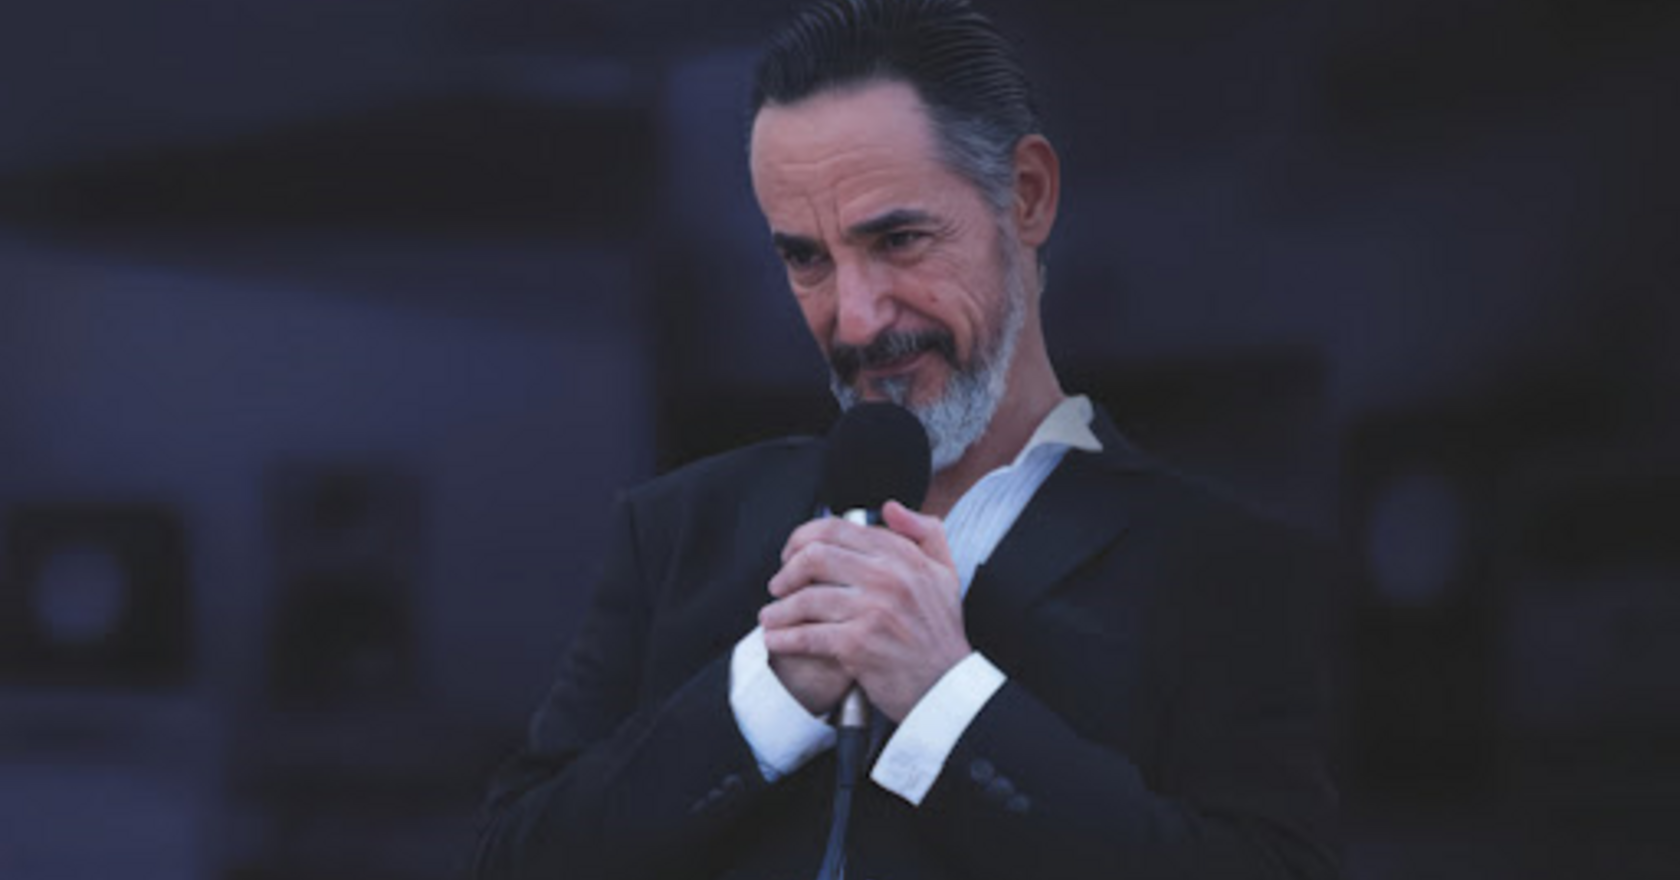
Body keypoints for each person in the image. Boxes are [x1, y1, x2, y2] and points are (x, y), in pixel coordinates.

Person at [472, 1, 1340, 878]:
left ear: (1027, 196)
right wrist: (764, 701)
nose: (855, 319)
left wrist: (947, 702)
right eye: (807, 259)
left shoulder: (1224, 569)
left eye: (899, 239)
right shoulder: (674, 532)